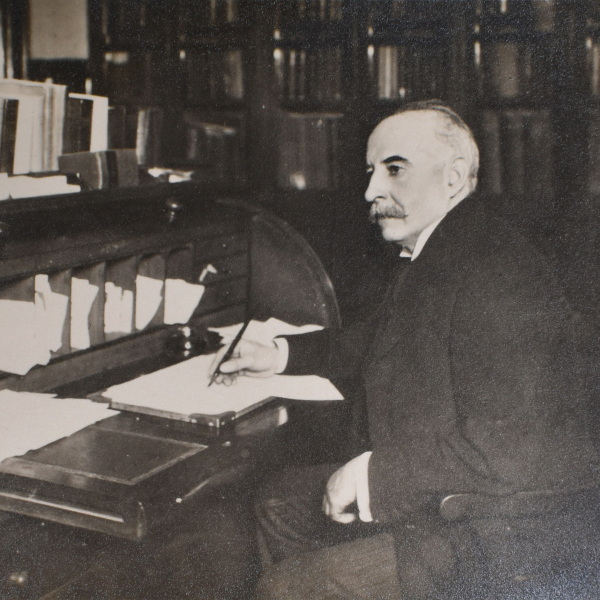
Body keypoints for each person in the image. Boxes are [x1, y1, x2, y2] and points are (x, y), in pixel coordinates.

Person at [210, 101, 600, 599]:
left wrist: (373, 473)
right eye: (372, 172)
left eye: (395, 169)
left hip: (499, 529)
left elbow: (509, 447)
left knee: (284, 588)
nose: (372, 191)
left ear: (454, 177)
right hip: (454, 493)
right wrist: (280, 354)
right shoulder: (448, 246)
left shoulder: (496, 272)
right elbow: (380, 339)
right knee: (275, 502)